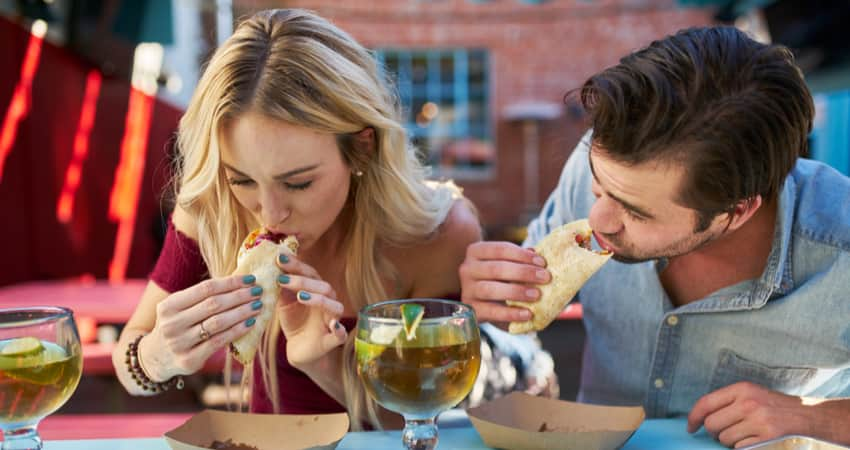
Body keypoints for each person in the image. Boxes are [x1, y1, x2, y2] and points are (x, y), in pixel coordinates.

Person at [460, 26, 850, 448]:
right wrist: (491, 297)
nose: (598, 218)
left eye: (635, 212)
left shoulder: (840, 251)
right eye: (597, 187)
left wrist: (815, 417)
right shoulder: (607, 163)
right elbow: (519, 305)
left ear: (736, 211)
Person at [111, 9, 482, 430]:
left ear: (362, 148)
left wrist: (323, 363)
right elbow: (131, 362)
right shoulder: (212, 207)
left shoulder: (437, 234)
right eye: (243, 179)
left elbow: (419, 423)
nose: (269, 213)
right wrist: (158, 356)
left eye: (299, 183)